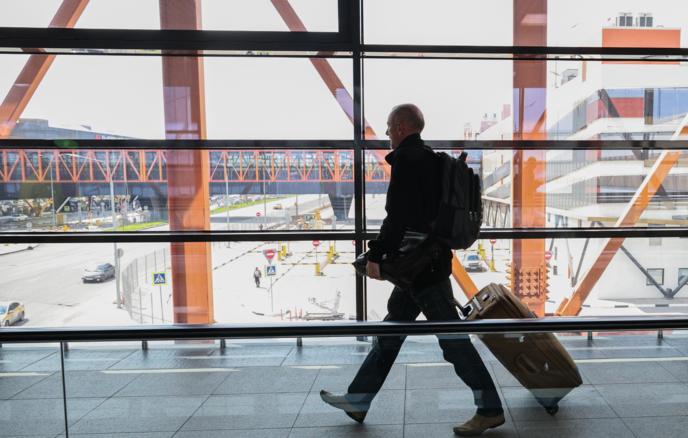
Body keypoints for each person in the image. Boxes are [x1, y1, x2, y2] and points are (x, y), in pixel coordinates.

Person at [319, 104, 504, 436]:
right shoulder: (432, 159)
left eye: (389, 127)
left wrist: (376, 254)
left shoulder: (407, 160)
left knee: (453, 341)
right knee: (391, 333)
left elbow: (398, 216)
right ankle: (358, 400)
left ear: (402, 127)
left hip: (422, 270)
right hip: (426, 263)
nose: (387, 133)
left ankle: (489, 408)